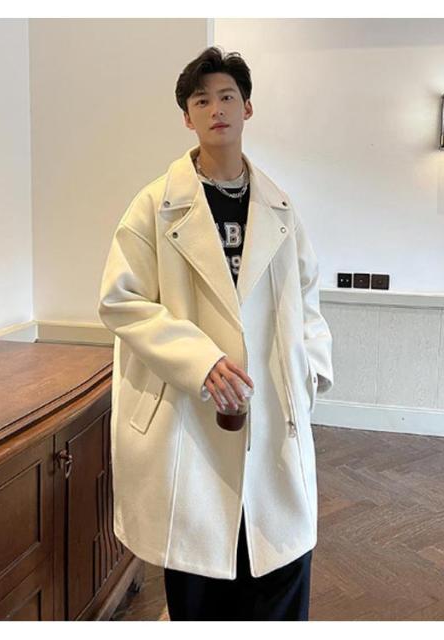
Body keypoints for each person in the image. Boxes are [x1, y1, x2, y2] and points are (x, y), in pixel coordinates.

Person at [98, 46, 334, 621]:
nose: (216, 109)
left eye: (227, 96)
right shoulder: (154, 206)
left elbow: (307, 298)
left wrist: (310, 374)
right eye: (201, 101)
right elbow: (120, 300)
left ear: (247, 108)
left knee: (279, 562)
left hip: (271, 412)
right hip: (190, 417)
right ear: (187, 117)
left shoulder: (280, 208)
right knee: (201, 573)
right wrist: (197, 361)